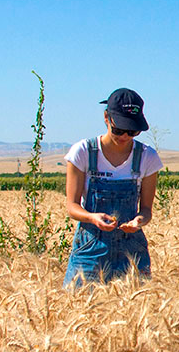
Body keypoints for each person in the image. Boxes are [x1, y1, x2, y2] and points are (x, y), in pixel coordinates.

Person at [63, 88, 163, 287]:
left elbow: (146, 210)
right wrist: (92, 217)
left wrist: (138, 221)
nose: (125, 136)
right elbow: (71, 206)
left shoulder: (147, 157)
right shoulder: (83, 152)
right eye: (119, 130)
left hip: (131, 248)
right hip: (91, 247)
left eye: (132, 131)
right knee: (80, 308)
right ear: (106, 118)